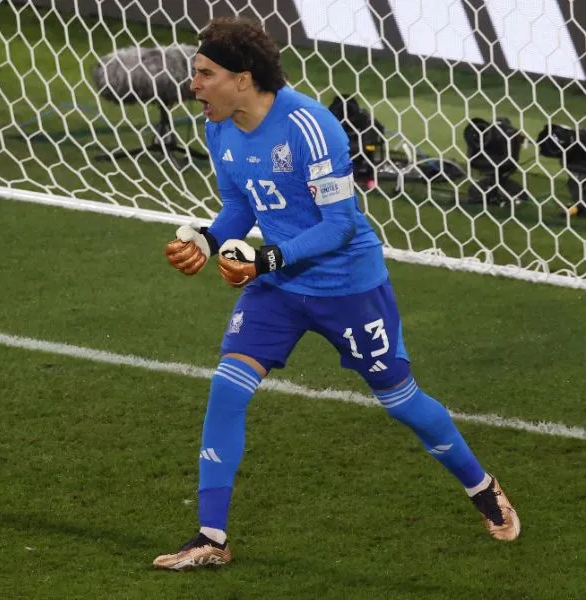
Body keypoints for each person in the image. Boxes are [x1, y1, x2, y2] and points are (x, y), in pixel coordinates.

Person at [155, 16, 520, 571]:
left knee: (402, 401)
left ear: (244, 78)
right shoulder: (219, 127)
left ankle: (481, 485)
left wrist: (265, 258)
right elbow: (242, 207)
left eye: (205, 74)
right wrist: (208, 241)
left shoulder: (310, 125)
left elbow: (340, 224)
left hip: (347, 285)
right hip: (277, 286)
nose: (193, 86)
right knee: (227, 391)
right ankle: (211, 537)